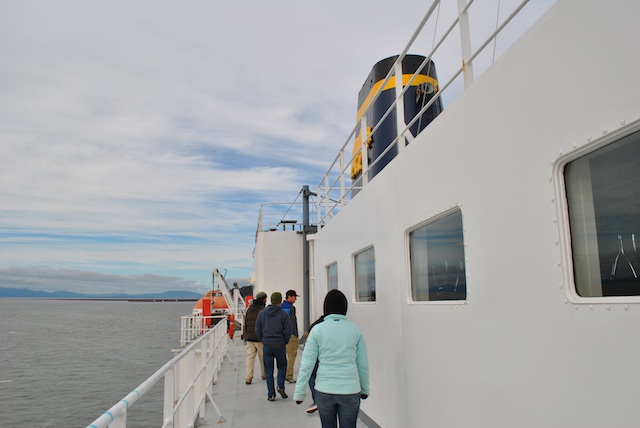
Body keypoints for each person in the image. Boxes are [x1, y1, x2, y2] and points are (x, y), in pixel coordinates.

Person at [294, 290, 370, 428]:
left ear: (326, 308)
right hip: (350, 390)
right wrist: (365, 389)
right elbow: (362, 364)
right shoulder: (355, 330)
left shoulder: (317, 330)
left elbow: (307, 364)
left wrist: (299, 393)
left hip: (324, 390)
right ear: (344, 308)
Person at [256, 291, 292, 401]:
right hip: (279, 344)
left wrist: (263, 340)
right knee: (282, 367)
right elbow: (288, 330)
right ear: (280, 301)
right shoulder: (283, 314)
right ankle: (280, 386)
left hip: (267, 345)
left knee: (268, 370)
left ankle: (271, 394)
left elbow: (257, 330)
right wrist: (284, 341)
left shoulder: (262, 314)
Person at [242, 290, 267, 385]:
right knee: (262, 357)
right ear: (264, 299)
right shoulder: (262, 310)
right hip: (259, 338)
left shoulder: (250, 308)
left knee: (250, 358)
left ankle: (248, 377)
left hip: (250, 338)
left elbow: (246, 323)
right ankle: (264, 374)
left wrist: (246, 336)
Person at [304, 314, 325, 414]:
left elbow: (308, 335)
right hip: (329, 356)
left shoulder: (316, 325)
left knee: (312, 376)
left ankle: (317, 400)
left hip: (316, 354)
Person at [281, 289, 300, 383]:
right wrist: (296, 335)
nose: (295, 299)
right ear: (290, 297)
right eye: (295, 297)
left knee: (282, 355)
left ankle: (281, 373)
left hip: (281, 334)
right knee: (292, 354)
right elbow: (293, 323)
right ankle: (289, 375)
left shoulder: (280, 307)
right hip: (291, 335)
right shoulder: (291, 308)